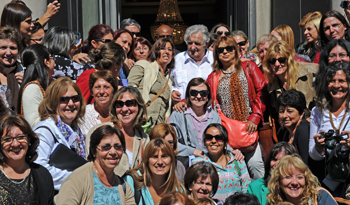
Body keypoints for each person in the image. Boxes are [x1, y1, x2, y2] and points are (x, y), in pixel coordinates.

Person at [207, 36, 266, 180]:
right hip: (228, 134)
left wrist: (255, 117)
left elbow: (262, 91)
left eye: (229, 48)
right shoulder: (213, 76)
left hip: (250, 128)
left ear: (236, 49)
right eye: (221, 50)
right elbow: (203, 97)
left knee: (256, 167)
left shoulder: (249, 67)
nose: (225, 52)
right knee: (232, 173)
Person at [57, 125, 135, 205]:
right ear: (94, 151)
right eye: (106, 147)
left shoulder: (124, 187)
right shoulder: (75, 181)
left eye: (118, 147)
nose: (113, 152)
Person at [33, 77, 86, 191]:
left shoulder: (76, 130)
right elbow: (39, 169)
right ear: (53, 102)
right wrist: (79, 178)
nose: (71, 104)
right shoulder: (45, 130)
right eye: (64, 99)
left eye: (75, 98)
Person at [86, 86, 149, 177]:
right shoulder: (98, 132)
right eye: (119, 104)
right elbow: (90, 166)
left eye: (130, 103)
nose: (124, 109)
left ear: (139, 106)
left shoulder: (143, 138)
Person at [310, 62, 350, 192]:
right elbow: (313, 155)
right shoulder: (318, 111)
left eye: (341, 81)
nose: (337, 85)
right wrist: (318, 147)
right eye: (332, 81)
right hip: (330, 176)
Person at [0, 115, 54, 205]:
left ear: (29, 139)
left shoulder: (43, 175)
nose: (15, 144)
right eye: (7, 139)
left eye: (20, 137)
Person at [263, 40, 318, 126]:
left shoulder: (308, 73)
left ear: (288, 59)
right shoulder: (272, 85)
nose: (277, 64)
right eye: (273, 61)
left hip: (312, 123)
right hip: (290, 129)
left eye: (281, 60)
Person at [192, 124, 251, 202]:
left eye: (218, 138)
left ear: (225, 142)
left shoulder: (237, 160)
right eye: (209, 137)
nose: (213, 141)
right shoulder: (198, 163)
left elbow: (246, 190)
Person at [124, 138, 186, 205]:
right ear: (147, 160)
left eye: (164, 156)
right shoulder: (131, 182)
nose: (160, 162)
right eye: (155, 157)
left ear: (171, 160)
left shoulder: (179, 189)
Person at [169, 77, 220, 158]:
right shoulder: (178, 114)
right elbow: (170, 142)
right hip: (184, 161)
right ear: (188, 95)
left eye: (203, 93)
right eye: (194, 93)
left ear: (208, 96)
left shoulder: (214, 116)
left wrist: (232, 150)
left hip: (209, 161)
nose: (199, 96)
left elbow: (219, 141)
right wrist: (193, 151)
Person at [128, 38, 175, 124]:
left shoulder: (169, 78)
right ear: (156, 51)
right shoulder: (143, 65)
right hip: (141, 121)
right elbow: (129, 89)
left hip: (159, 125)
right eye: (162, 48)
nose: (167, 52)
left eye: (170, 49)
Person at [267, 154, 337, 205]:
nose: (294, 182)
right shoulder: (273, 203)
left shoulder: (319, 197)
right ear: (278, 182)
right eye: (288, 177)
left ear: (306, 181)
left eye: (299, 177)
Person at [170, 24, 214, 103]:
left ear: (206, 44)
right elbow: (167, 82)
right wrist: (172, 91)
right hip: (183, 110)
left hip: (210, 111)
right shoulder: (178, 59)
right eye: (190, 43)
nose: (192, 47)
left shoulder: (215, 59)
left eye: (197, 43)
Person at [18, 44, 55, 128]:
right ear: (47, 62)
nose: (54, 61)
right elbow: (34, 124)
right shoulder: (32, 88)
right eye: (51, 58)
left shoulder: (45, 85)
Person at [276, 90, 310, 164]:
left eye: (290, 111)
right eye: (281, 111)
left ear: (301, 113)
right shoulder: (283, 132)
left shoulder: (303, 130)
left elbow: (306, 164)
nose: (284, 116)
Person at [80, 70, 118, 136]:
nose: (101, 91)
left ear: (114, 91)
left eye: (106, 87)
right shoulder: (83, 113)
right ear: (92, 92)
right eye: (97, 87)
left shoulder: (119, 112)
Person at [0, 26, 24, 113]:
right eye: (3, 48)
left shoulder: (24, 71)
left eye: (13, 48)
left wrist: (27, 83)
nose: (8, 53)